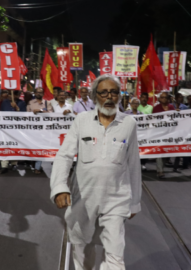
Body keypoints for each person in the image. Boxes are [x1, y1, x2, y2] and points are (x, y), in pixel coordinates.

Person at [50, 74, 141, 269]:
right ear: (94, 96)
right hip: (83, 198)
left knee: (116, 256)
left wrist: (134, 202)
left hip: (116, 199)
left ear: (120, 96)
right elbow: (64, 156)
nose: (109, 97)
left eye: (114, 92)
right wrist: (59, 187)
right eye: (104, 93)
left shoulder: (129, 124)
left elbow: (133, 164)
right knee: (83, 253)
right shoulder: (81, 121)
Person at [0, 90, 26, 173]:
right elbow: (0, 114)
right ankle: (4, 165)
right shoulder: (4, 102)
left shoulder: (22, 103)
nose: (13, 96)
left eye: (16, 94)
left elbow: (24, 116)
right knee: (4, 146)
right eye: (12, 93)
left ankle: (14, 163)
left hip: (16, 128)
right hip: (6, 128)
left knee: (15, 145)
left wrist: (17, 108)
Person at [153, 92, 175, 178]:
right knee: (159, 151)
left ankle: (163, 164)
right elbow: (153, 120)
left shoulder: (171, 107)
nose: (164, 99)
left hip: (169, 133)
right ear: (159, 99)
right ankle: (160, 170)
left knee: (166, 153)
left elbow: (175, 119)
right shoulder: (156, 108)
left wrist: (177, 113)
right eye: (162, 97)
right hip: (159, 133)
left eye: (165, 97)